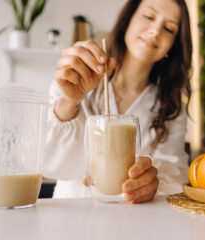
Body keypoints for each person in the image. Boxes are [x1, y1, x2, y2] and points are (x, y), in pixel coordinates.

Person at [43, 0, 193, 204]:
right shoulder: (77, 77)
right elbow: (50, 164)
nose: (155, 31)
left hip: (132, 226)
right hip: (70, 217)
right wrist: (70, 100)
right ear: (127, 21)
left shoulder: (172, 106)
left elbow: (174, 175)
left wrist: (152, 184)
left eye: (168, 29)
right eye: (148, 16)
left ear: (172, 46)